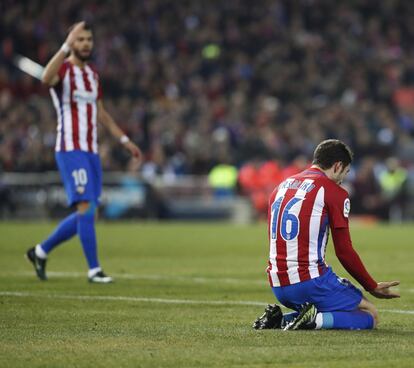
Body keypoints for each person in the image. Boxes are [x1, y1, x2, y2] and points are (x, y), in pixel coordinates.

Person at [26, 21, 142, 283]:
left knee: (89, 212)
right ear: (72, 43)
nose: (86, 43)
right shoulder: (63, 70)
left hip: (91, 151)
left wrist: (124, 139)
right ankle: (94, 270)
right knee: (86, 206)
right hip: (70, 148)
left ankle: (41, 251)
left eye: (88, 39)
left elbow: (101, 113)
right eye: (80, 40)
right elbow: (45, 78)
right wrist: (65, 46)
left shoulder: (91, 75)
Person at [253, 139, 400, 330]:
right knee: (369, 313)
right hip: (310, 281)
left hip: (277, 283)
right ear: (338, 165)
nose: (342, 180)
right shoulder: (333, 191)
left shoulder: (280, 187)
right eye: (345, 173)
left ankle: (280, 320)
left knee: (335, 305)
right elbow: (344, 251)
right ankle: (312, 321)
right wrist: (371, 285)